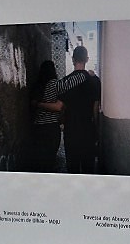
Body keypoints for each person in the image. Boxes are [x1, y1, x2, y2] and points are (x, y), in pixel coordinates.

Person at [31, 60, 87, 172]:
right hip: (51, 128)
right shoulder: (54, 84)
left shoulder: (37, 86)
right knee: (49, 159)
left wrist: (37, 104)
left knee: (40, 160)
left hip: (38, 127)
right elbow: (71, 82)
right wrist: (85, 74)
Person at [59, 46, 101, 174]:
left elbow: (61, 107)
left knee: (73, 167)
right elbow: (95, 108)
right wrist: (96, 129)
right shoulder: (95, 81)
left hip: (71, 130)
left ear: (73, 59)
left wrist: (62, 123)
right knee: (88, 167)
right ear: (87, 59)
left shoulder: (66, 82)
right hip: (88, 129)